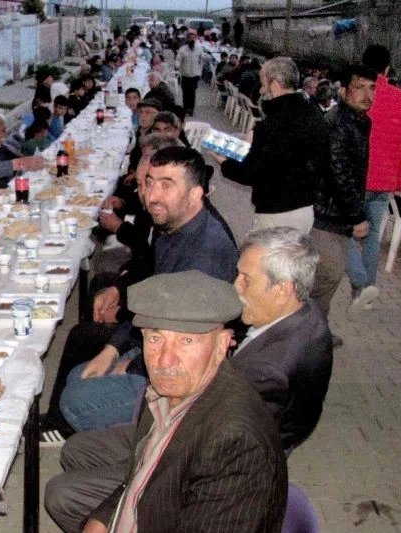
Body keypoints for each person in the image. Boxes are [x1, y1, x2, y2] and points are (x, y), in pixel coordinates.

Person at [45, 271, 288, 533]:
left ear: (222, 345)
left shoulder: (236, 443)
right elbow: (141, 475)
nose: (164, 360)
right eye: (155, 338)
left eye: (186, 340)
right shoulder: (167, 392)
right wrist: (101, 520)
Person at [41, 147, 238, 444]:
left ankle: (139, 443)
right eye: (149, 182)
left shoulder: (204, 254)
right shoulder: (174, 225)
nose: (152, 195)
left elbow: (186, 346)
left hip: (179, 374)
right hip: (158, 339)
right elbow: (156, 298)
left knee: (75, 399)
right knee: (79, 374)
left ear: (196, 194)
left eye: (166, 185)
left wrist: (131, 364)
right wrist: (113, 350)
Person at [233, 226, 333, 453]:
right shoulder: (307, 310)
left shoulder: (266, 370)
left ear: (281, 290)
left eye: (246, 279)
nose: (236, 285)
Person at [212, 57, 330, 234]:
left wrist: (222, 160)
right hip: (305, 210)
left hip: (277, 213)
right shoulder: (313, 112)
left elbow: (250, 173)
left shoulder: (274, 123)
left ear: (274, 85)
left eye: (263, 83)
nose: (261, 89)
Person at [345, 45, 401, 318]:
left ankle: (361, 285)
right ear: (388, 68)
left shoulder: (359, 97)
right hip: (385, 181)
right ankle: (366, 291)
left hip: (356, 177)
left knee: (344, 231)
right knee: (373, 236)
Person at [309, 65, 376, 330]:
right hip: (326, 214)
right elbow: (340, 173)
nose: (367, 95)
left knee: (327, 278)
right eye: (359, 88)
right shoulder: (340, 123)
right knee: (326, 276)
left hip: (335, 213)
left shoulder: (359, 121)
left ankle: (316, 332)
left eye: (372, 88)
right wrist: (357, 216)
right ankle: (308, 337)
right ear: (345, 91)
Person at [175, 32, 204, 116]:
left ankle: (191, 109)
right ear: (187, 39)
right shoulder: (182, 49)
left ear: (196, 39)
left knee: (192, 93)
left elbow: (201, 61)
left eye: (194, 37)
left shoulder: (199, 49)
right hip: (185, 74)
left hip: (195, 75)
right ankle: (185, 108)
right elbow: (178, 59)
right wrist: (177, 65)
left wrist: (200, 72)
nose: (192, 39)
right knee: (185, 92)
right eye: (190, 38)